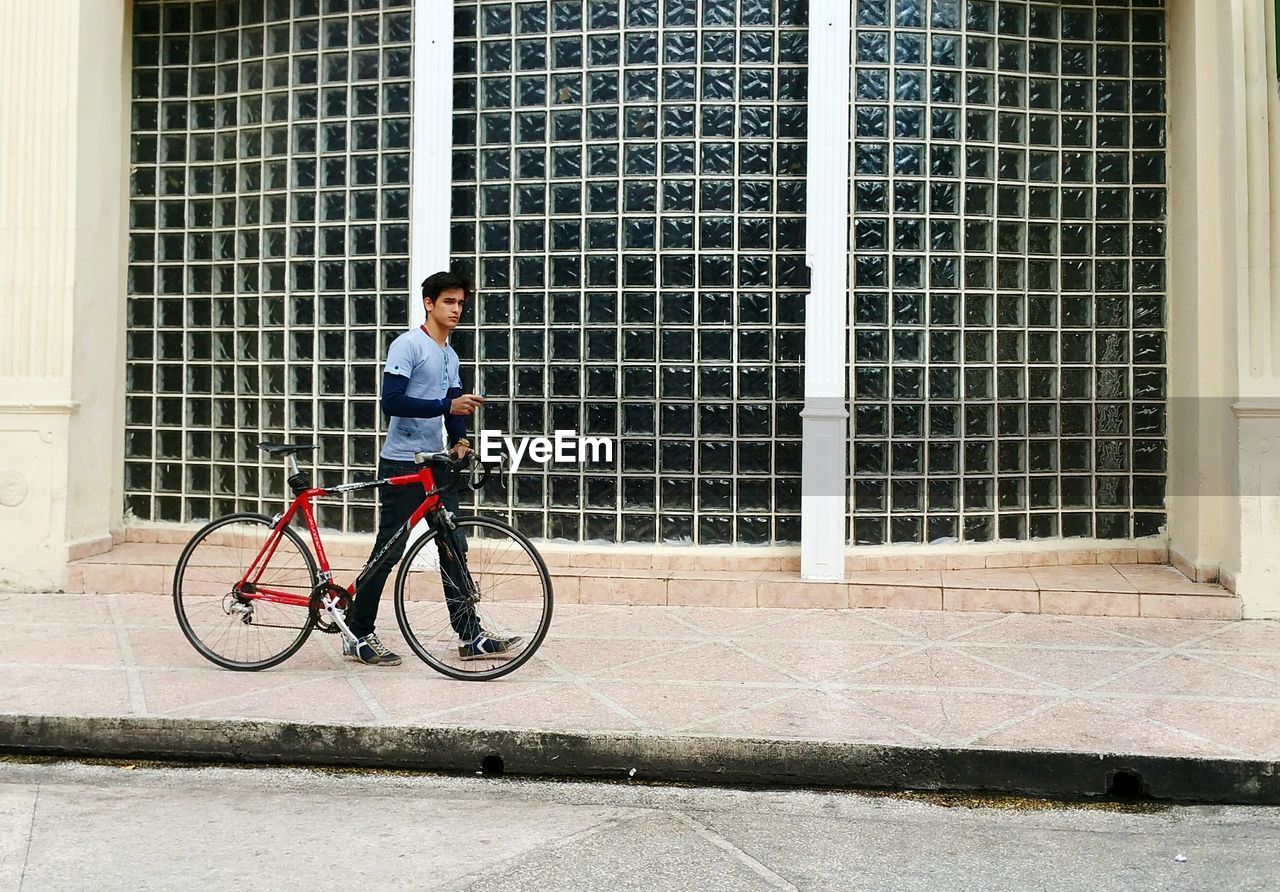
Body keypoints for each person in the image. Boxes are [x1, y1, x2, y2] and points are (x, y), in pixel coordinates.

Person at [343, 270, 517, 666]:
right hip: (403, 462)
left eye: (460, 303)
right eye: (449, 302)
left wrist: (460, 439)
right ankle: (358, 631)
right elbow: (393, 402)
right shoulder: (408, 345)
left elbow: (454, 402)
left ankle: (470, 635)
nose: (457, 310)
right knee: (389, 552)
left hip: (436, 464)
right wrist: (446, 408)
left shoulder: (450, 355)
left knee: (454, 547)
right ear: (429, 304)